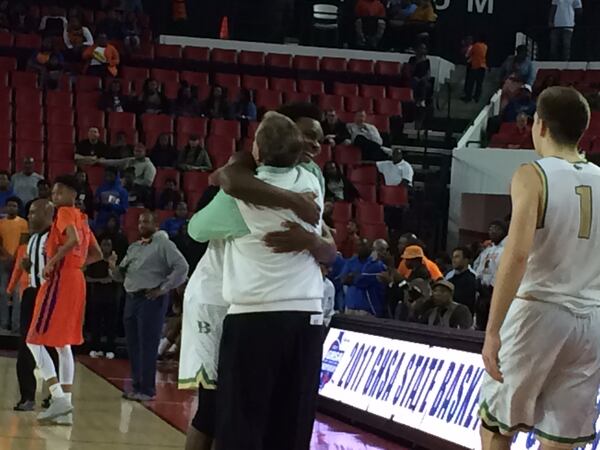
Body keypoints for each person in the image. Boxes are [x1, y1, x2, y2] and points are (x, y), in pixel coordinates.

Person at [185, 111, 335, 450]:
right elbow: (329, 248)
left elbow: (197, 229)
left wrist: (231, 171)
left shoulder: (239, 197)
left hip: (255, 316)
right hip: (308, 315)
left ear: (256, 151)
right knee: (292, 425)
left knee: (239, 423)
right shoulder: (313, 183)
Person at [478, 87, 600, 449]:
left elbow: (516, 255)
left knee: (497, 425)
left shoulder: (532, 174)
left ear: (540, 125)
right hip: (592, 320)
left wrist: (493, 330)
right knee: (562, 436)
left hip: (539, 310)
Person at [26, 175, 102, 425]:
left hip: (61, 281)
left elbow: (73, 240)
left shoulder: (66, 213)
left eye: (59, 192)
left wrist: (53, 262)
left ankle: (58, 397)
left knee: (34, 340)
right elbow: (97, 253)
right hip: (76, 279)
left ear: (72, 194)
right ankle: (66, 407)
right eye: (53, 193)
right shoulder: (83, 218)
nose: (54, 197)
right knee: (63, 344)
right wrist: (76, 265)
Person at [109, 211, 188, 401]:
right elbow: (121, 275)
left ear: (156, 224)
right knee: (134, 344)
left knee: (148, 345)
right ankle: (136, 386)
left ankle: (147, 389)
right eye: (140, 222)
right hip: (131, 297)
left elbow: (182, 267)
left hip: (150, 299)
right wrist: (112, 266)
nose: (142, 226)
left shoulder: (164, 244)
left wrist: (164, 288)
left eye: (146, 222)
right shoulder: (135, 247)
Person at [12, 199, 56, 411]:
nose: (29, 216)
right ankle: (27, 396)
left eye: (33, 213)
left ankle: (55, 395)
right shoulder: (32, 239)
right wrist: (27, 267)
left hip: (49, 295)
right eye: (28, 213)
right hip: (32, 293)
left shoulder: (55, 238)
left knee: (52, 346)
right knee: (26, 345)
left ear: (47, 214)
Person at [85, 237, 119, 359]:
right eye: (104, 244)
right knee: (96, 324)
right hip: (97, 297)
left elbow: (120, 277)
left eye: (108, 244)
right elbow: (86, 278)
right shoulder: (95, 260)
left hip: (111, 297)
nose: (106, 247)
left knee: (111, 325)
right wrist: (100, 280)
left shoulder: (115, 260)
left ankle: (110, 349)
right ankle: (95, 348)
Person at [473, 220, 508, 331]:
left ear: (504, 231)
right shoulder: (487, 250)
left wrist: (492, 286)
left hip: (495, 291)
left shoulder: (507, 249)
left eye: (496, 229)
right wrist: (478, 279)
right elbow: (477, 265)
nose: (492, 231)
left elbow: (503, 270)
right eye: (490, 229)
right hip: (482, 291)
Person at [0, 197, 28, 331]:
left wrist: (15, 258)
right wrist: (7, 256)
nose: (12, 208)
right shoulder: (1, 223)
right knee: (3, 292)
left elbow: (23, 242)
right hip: (3, 262)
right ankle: (3, 323)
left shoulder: (23, 223)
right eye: (9, 206)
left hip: (19, 263)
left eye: (14, 206)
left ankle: (16, 325)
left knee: (17, 294)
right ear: (5, 208)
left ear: (18, 208)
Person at [341, 237, 386, 316]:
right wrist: (358, 277)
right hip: (350, 307)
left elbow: (363, 280)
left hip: (368, 309)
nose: (360, 248)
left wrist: (354, 277)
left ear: (370, 247)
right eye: (358, 245)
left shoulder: (375, 263)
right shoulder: (351, 262)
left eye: (363, 245)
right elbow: (343, 279)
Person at [445, 246, 478, 314]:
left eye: (457, 257)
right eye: (453, 257)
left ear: (466, 260)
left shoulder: (471, 280)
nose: (453, 260)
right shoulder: (450, 278)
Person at [462, 34, 488, 103]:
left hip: (475, 66)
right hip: (483, 66)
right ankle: (477, 98)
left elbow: (468, 54)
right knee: (479, 84)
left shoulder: (475, 45)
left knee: (471, 83)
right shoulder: (485, 46)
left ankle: (468, 97)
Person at [407, 43, 432, 108]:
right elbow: (410, 70)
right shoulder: (412, 59)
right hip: (414, 77)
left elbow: (428, 73)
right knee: (414, 82)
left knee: (423, 83)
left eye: (424, 48)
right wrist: (417, 61)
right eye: (421, 48)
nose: (422, 50)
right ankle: (412, 99)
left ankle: (422, 100)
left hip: (423, 78)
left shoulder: (427, 61)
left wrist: (424, 78)